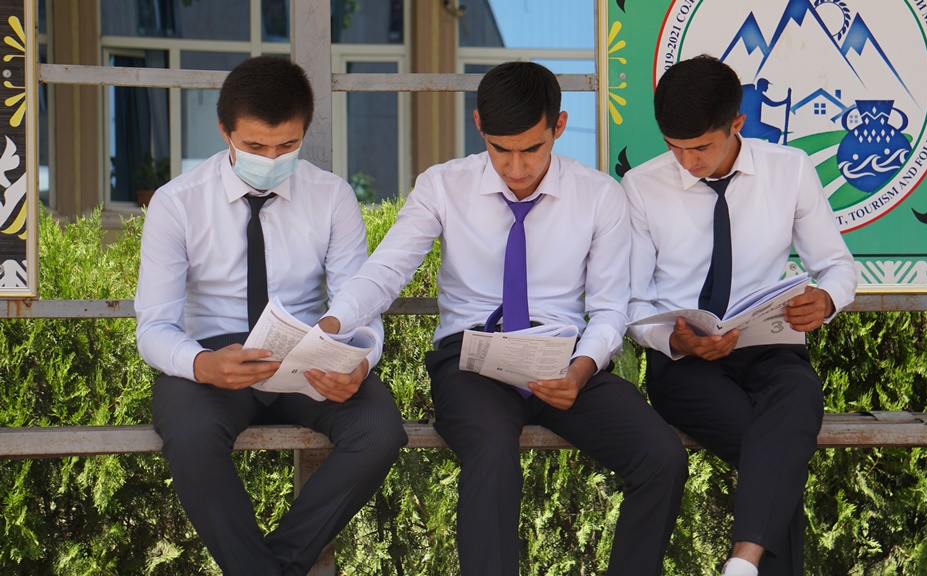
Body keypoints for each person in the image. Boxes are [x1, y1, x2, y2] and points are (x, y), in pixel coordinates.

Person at [325, 61, 688, 576]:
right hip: (471, 360)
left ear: (559, 126)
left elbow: (610, 308)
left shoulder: (599, 196)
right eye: (501, 150)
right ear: (479, 126)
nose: (516, 169)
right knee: (492, 451)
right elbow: (384, 272)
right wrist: (332, 326)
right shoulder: (442, 186)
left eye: (532, 149)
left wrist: (582, 369)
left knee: (661, 456)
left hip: (566, 360)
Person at [135, 56, 407, 576]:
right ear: (225, 131)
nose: (272, 159)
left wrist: (360, 362)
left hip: (306, 354)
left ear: (304, 131)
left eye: (287, 146)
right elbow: (154, 327)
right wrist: (201, 365)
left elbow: (358, 303)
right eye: (256, 147)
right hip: (214, 358)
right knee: (190, 437)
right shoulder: (177, 203)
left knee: (378, 430)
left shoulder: (332, 197)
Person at [622, 55, 857, 576]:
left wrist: (826, 299)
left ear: (737, 124)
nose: (687, 161)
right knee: (777, 450)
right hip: (685, 363)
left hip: (771, 347)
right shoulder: (641, 186)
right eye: (674, 147)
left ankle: (743, 562)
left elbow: (837, 266)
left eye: (701, 147)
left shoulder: (789, 169)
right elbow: (633, 305)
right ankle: (745, 564)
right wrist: (676, 341)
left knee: (799, 393)